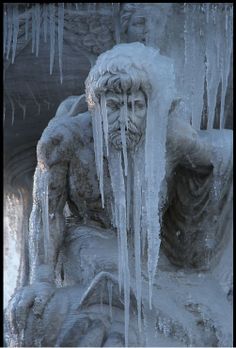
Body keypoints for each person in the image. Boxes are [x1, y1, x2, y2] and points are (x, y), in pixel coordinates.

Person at [6, 43, 232, 347]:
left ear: (150, 107)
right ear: (95, 104)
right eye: (114, 106)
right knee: (109, 269)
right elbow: (48, 212)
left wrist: (193, 148)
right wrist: (43, 279)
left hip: (147, 248)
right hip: (88, 236)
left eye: (135, 106)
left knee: (209, 304)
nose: (124, 118)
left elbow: (216, 164)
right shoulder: (65, 140)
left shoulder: (170, 138)